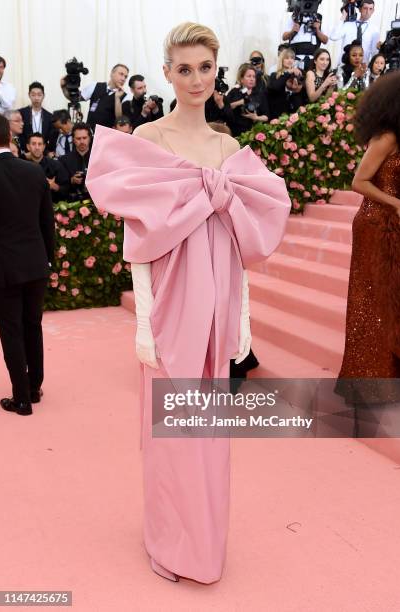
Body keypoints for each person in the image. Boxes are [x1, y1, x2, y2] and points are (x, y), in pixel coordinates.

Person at [86, 22, 291, 584]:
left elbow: (241, 242)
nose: (195, 79)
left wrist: (242, 319)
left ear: (215, 69)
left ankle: (204, 543)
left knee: (209, 437)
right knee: (169, 436)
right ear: (168, 72)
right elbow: (137, 241)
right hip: (172, 302)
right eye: (184, 69)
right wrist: (145, 323)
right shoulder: (149, 140)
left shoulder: (229, 149)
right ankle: (168, 540)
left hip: (218, 302)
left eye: (204, 68)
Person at [336, 71, 400, 411]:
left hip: (396, 226)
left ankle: (391, 377)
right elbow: (358, 181)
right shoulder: (387, 137)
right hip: (374, 225)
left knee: (393, 301)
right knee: (372, 301)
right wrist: (396, 203)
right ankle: (369, 381)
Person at [0, 113, 55, 416]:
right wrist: (50, 261)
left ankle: (21, 399)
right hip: (35, 264)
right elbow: (48, 224)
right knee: (33, 325)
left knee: (11, 331)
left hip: (2, 269)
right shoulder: (34, 173)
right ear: (9, 137)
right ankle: (34, 387)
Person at [60, 64, 129, 131]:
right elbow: (75, 98)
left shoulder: (125, 96)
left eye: (125, 77)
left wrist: (117, 98)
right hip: (89, 133)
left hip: (106, 136)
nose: (123, 79)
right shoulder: (95, 86)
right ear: (112, 73)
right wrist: (64, 88)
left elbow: (120, 120)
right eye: (121, 74)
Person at [330, 0, 379, 65]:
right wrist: (343, 16)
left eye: (370, 9)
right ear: (360, 9)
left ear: (373, 11)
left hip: (362, 67)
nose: (367, 12)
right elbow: (333, 37)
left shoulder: (374, 29)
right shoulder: (348, 25)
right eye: (365, 8)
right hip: (344, 65)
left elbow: (374, 52)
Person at [226, 63, 269, 137]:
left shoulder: (259, 94)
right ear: (241, 79)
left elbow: (266, 116)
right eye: (249, 76)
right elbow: (226, 108)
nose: (252, 79)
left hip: (253, 133)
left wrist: (256, 117)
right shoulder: (234, 92)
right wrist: (240, 102)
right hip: (234, 132)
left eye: (254, 77)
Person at [26, 132, 69, 202]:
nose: (37, 147)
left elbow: (66, 189)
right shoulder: (22, 166)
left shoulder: (56, 165)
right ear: (28, 147)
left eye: (40, 144)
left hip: (52, 206)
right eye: (33, 144)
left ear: (44, 147)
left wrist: (54, 186)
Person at [267, 48, 306, 119]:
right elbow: (275, 87)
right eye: (287, 58)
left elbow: (301, 95)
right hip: (277, 114)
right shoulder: (274, 75)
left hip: (293, 114)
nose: (290, 60)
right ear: (282, 60)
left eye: (292, 58)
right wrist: (288, 72)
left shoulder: (298, 74)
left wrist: (295, 90)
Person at [18, 81, 55, 154]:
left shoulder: (49, 116)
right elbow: (20, 135)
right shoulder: (21, 113)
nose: (36, 98)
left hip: (44, 154)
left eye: (39, 95)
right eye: (33, 95)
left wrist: (47, 152)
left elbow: (51, 138)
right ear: (29, 95)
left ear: (43, 96)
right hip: (26, 154)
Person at [59, 122, 92, 200]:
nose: (82, 142)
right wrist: (72, 180)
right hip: (72, 202)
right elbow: (60, 186)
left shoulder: (98, 158)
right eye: (78, 138)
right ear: (73, 139)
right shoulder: (63, 160)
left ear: (89, 138)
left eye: (84, 138)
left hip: (95, 203)